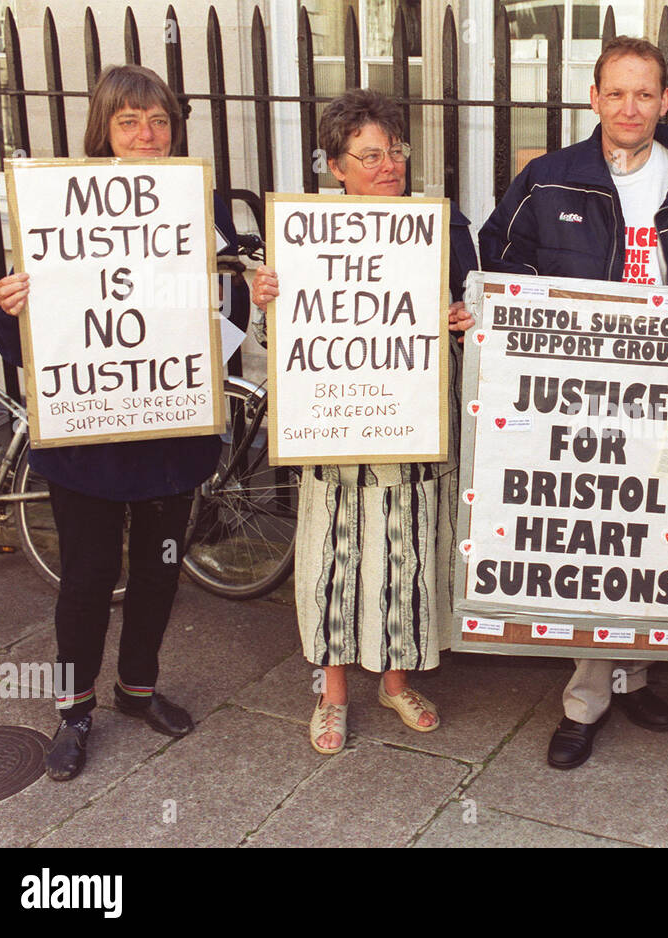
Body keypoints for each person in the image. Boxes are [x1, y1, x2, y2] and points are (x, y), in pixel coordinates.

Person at [480, 36, 668, 770]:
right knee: (594, 528)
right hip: (580, 397)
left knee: (655, 528)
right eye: (616, 93)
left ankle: (633, 672)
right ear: (595, 100)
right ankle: (586, 701)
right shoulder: (549, 180)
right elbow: (499, 258)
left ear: (665, 101)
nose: (631, 107)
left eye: (645, 94)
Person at [0, 64, 239, 780]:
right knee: (87, 579)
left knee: (161, 573)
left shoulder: (200, 203)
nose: (147, 135)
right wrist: (12, 310)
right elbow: (25, 347)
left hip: (169, 436)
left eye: (159, 121)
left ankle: (137, 688)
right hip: (88, 444)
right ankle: (74, 711)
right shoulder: (58, 208)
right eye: (130, 120)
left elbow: (231, 320)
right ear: (103, 128)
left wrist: (244, 294)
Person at [249, 89, 477, 755]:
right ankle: (334, 692)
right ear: (335, 165)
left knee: (408, 556)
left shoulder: (437, 227)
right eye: (370, 155)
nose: (389, 165)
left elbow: (468, 313)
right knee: (334, 560)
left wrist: (462, 323)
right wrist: (268, 300)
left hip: (412, 427)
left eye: (396, 151)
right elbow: (274, 348)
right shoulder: (303, 236)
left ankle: (397, 680)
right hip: (336, 430)